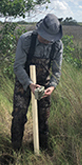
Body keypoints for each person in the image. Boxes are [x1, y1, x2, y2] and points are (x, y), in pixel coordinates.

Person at [11, 14, 63, 151]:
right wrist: (29, 84)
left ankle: (42, 149)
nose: (48, 41)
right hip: (24, 83)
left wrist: (52, 86)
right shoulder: (26, 39)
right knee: (18, 116)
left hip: (44, 85)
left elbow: (56, 71)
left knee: (43, 118)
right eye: (45, 37)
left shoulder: (57, 45)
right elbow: (18, 66)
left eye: (50, 39)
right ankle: (15, 151)